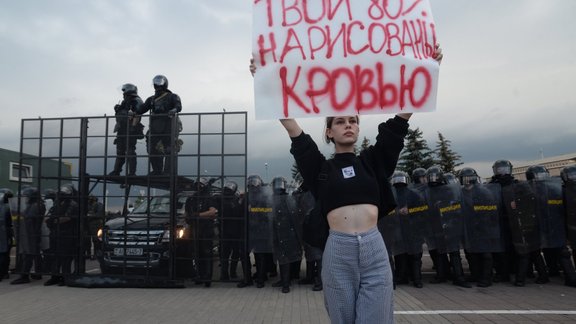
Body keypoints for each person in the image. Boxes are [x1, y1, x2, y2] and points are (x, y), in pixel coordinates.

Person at [252, 45, 442, 323]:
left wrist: (428, 69)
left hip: (375, 248)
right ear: (329, 132)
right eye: (340, 121)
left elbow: (399, 124)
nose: (348, 125)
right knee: (343, 317)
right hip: (338, 250)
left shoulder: (372, 161)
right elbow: (293, 131)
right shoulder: (320, 168)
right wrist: (264, 80)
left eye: (353, 120)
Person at [137, 75, 182, 175]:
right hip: (155, 126)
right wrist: (132, 109)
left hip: (168, 125)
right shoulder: (151, 99)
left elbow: (178, 106)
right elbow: (141, 109)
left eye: (159, 83)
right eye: (155, 83)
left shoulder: (173, 96)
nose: (157, 86)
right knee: (151, 148)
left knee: (169, 148)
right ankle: (157, 170)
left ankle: (168, 172)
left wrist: (173, 110)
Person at [270, 176, 302, 293]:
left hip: (284, 233)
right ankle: (285, 281)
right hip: (285, 233)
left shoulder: (281, 199)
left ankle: (285, 284)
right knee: (284, 258)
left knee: (284, 259)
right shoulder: (288, 198)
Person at [185, 177, 218, 287]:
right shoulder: (191, 199)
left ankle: (207, 278)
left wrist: (199, 215)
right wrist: (189, 218)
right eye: (197, 185)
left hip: (206, 229)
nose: (198, 187)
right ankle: (199, 275)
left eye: (200, 185)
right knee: (197, 253)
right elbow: (187, 213)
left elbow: (213, 212)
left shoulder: (209, 198)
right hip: (195, 228)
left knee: (207, 253)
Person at [44, 184, 79, 286]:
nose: (60, 195)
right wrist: (52, 220)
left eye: (62, 194)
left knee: (65, 257)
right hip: (55, 233)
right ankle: (54, 276)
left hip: (67, 234)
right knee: (54, 256)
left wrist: (54, 220)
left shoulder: (73, 204)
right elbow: (48, 216)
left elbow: (67, 218)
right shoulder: (57, 204)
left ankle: (65, 277)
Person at [11, 187, 46, 284]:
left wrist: (19, 214)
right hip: (31, 232)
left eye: (27, 196)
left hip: (31, 233)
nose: (25, 199)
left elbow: (28, 217)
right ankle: (38, 273)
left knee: (28, 254)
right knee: (35, 253)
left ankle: (24, 276)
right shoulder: (36, 204)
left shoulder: (36, 205)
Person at [108, 83, 144, 176]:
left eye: (125, 90)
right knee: (120, 151)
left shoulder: (137, 100)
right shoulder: (125, 102)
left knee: (130, 151)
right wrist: (117, 109)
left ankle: (132, 173)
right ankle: (116, 171)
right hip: (122, 129)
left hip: (131, 128)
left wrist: (133, 127)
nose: (123, 92)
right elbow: (121, 114)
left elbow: (138, 114)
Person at [219, 181, 242, 281]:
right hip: (230, 231)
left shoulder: (235, 200)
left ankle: (228, 274)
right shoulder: (234, 200)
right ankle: (228, 274)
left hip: (230, 231)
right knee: (229, 254)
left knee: (229, 254)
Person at [0, 189, 14, 281]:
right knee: (5, 253)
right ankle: (4, 273)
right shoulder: (10, 207)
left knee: (3, 253)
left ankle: (3, 273)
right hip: (6, 232)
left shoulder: (6, 207)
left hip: (5, 232)